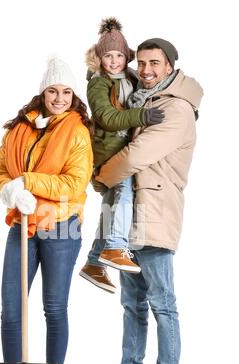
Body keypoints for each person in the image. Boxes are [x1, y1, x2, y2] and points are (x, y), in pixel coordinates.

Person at [88, 38, 203, 364]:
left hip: (154, 214)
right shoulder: (143, 99)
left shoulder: (177, 109)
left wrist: (101, 175)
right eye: (142, 63)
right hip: (129, 213)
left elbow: (137, 154)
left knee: (162, 305)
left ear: (170, 66)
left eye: (155, 63)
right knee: (131, 305)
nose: (147, 70)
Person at [0, 57, 93, 364]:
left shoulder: (77, 132)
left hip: (61, 228)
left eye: (66, 92)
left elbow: (75, 183)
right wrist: (9, 190)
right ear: (43, 93)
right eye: (53, 91)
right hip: (22, 224)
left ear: (73, 95)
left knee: (54, 307)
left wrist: (28, 181)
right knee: (11, 309)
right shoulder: (20, 128)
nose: (59, 99)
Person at [79, 18, 164, 293]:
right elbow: (106, 117)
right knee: (125, 191)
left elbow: (150, 88)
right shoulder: (99, 83)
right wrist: (141, 115)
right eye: (108, 56)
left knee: (112, 207)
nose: (114, 61)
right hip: (108, 150)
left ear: (125, 55)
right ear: (100, 58)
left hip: (124, 146)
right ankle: (115, 246)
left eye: (118, 55)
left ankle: (94, 263)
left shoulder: (130, 77)